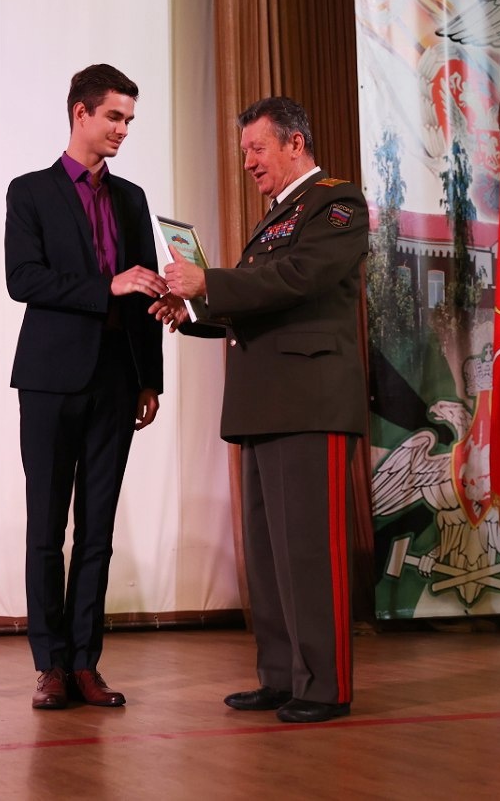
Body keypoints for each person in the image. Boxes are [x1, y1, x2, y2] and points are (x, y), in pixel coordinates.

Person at [157, 96, 367, 723]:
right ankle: (280, 677)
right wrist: (192, 310)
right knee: (271, 556)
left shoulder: (336, 203)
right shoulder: (278, 214)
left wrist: (210, 283)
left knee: (310, 553)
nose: (248, 161)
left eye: (257, 147)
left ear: (295, 144)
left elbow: (299, 278)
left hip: (310, 401)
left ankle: (324, 686)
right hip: (265, 403)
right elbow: (259, 303)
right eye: (244, 149)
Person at [5, 64, 166, 709]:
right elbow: (23, 279)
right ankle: (49, 663)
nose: (123, 129)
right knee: (47, 527)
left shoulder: (132, 198)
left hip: (117, 379)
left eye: (129, 120)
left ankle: (84, 662)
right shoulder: (30, 191)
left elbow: (146, 286)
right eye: (114, 117)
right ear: (81, 113)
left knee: (97, 528)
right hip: (50, 380)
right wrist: (108, 285)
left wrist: (150, 377)